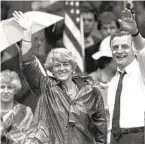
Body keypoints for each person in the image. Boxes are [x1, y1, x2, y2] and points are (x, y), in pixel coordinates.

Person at [12, 11, 107, 144]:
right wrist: (27, 32)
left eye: (66, 64)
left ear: (73, 67)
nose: (62, 68)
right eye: (57, 65)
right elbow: (27, 62)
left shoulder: (90, 92)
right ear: (51, 70)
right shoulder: (47, 88)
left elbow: (101, 128)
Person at [107, 9, 145, 144]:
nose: (119, 51)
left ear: (133, 49)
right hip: (115, 138)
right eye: (115, 47)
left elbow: (143, 51)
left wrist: (135, 33)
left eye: (124, 46)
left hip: (141, 136)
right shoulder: (114, 81)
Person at [0, 70, 33, 144]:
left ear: (15, 90)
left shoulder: (24, 112)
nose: (5, 91)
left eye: (9, 88)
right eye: (2, 87)